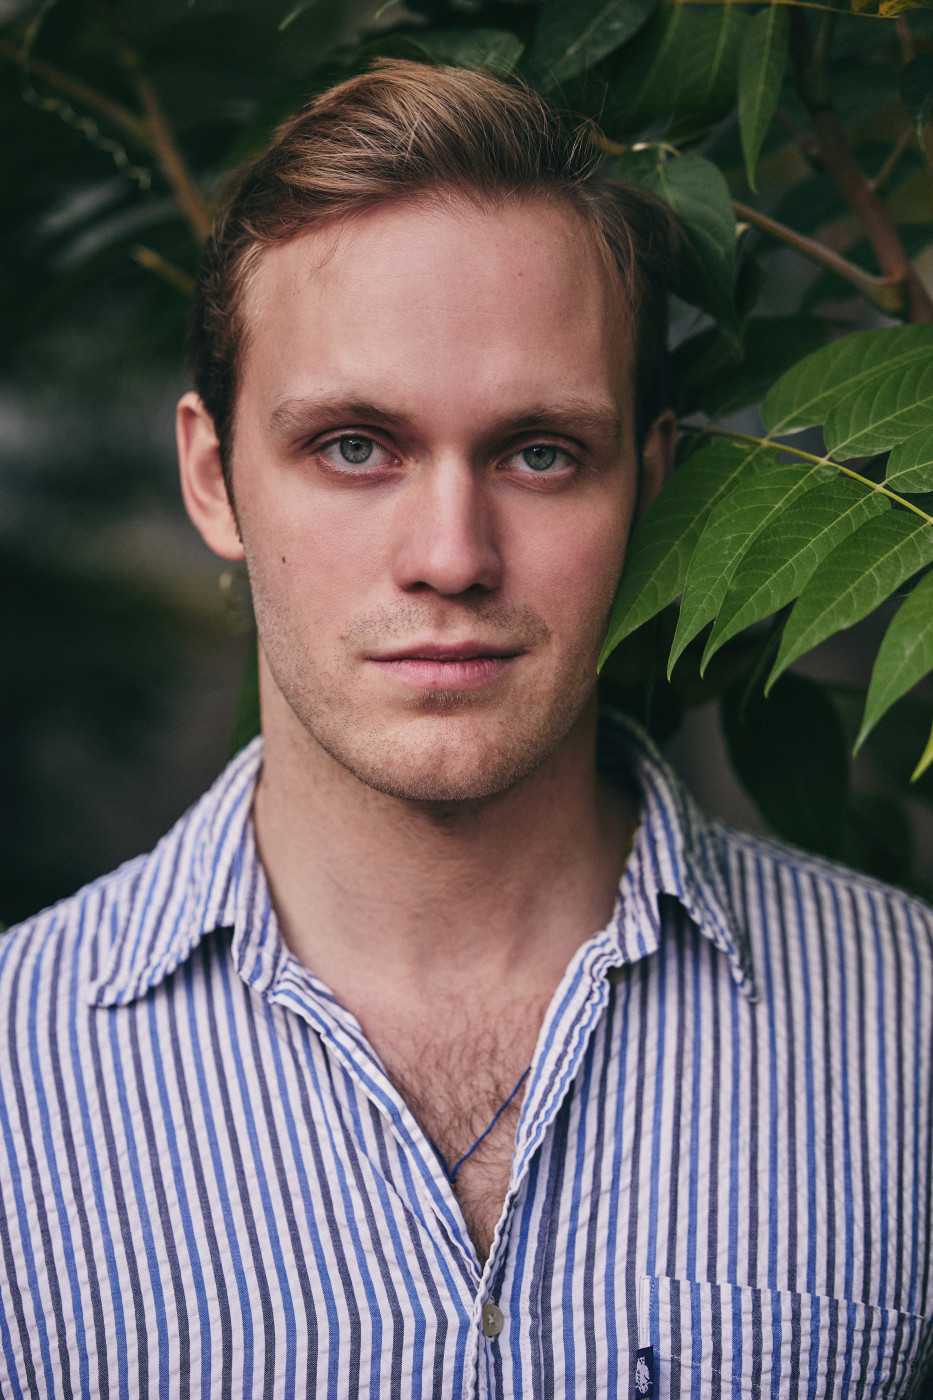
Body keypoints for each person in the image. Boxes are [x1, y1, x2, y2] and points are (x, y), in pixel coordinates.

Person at [0, 59, 930, 1400]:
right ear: (213, 478)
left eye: (539, 452)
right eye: (354, 446)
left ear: (648, 482)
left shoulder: (907, 1024)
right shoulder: (18, 1075)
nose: (451, 556)